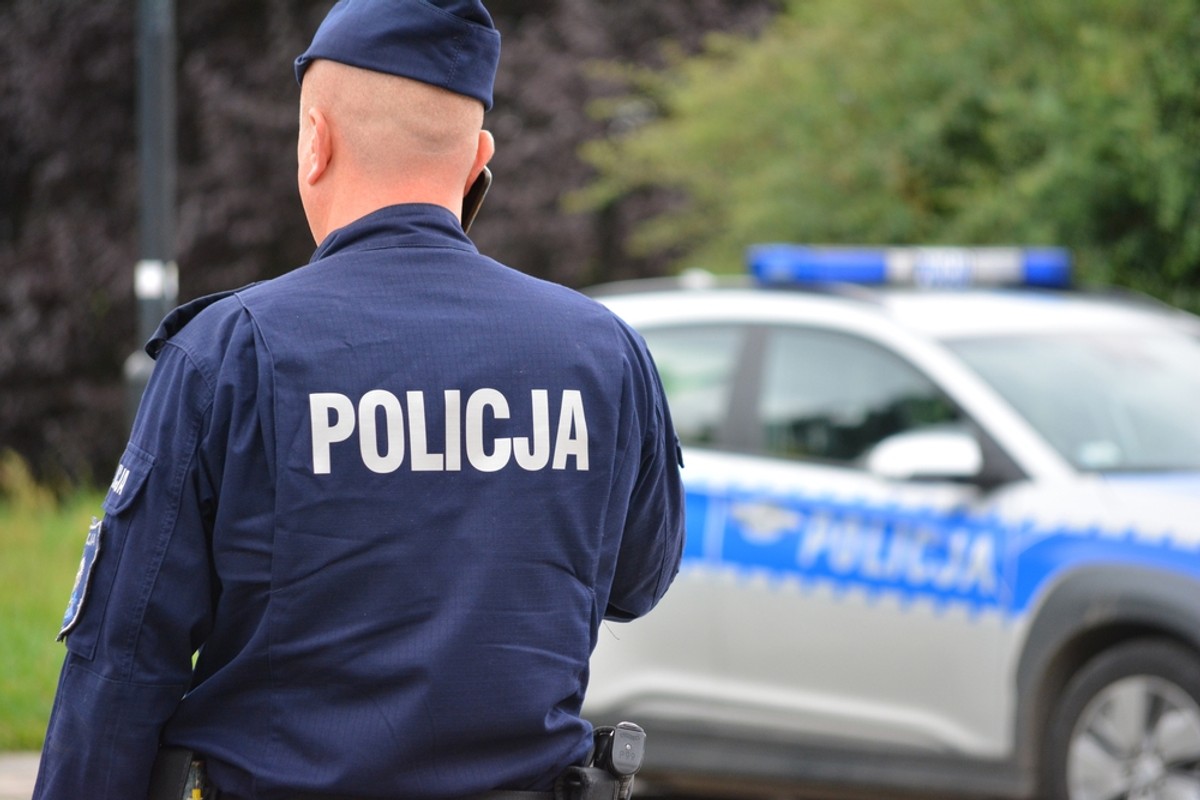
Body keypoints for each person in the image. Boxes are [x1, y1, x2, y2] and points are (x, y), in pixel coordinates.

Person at [32, 0, 685, 797]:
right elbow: (639, 582)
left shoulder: (232, 353)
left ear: (317, 139)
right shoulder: (602, 351)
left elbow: (124, 663)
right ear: (479, 157)